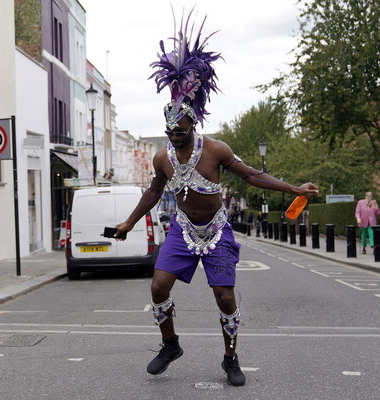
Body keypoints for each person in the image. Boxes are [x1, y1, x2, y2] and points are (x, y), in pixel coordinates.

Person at [113, 11, 319, 387]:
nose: (173, 136)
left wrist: (294, 189)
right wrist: (129, 222)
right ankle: (170, 344)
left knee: (224, 297)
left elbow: (253, 174)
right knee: (158, 287)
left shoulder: (216, 150)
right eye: (168, 131)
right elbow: (154, 191)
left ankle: (230, 358)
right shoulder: (163, 158)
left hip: (217, 231)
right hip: (183, 230)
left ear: (193, 122)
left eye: (179, 131)